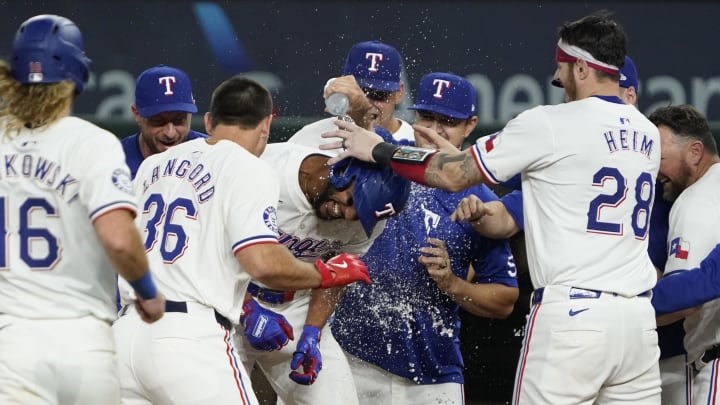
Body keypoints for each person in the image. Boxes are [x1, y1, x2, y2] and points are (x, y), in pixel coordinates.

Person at [323, 13, 663, 403]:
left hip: (574, 317)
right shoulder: (646, 133)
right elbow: (547, 195)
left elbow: (454, 176)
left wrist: (379, 149)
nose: (558, 79)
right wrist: (487, 206)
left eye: (563, 69)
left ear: (583, 67)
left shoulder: (550, 123)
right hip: (637, 323)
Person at [112, 76, 372, 405]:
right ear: (266, 124)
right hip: (187, 338)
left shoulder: (151, 166)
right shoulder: (249, 167)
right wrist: (327, 274)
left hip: (125, 335)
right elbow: (261, 262)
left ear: (207, 120)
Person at [0, 14, 165, 404]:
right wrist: (147, 291)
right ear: (79, 74)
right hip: (81, 338)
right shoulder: (92, 143)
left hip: (9, 341)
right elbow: (119, 241)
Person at [330, 72, 519, 404]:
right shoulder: (383, 156)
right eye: (426, 116)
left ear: (470, 124)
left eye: (447, 121)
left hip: (432, 377)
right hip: (352, 361)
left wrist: (452, 283)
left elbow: (505, 300)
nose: (433, 128)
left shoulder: (479, 201)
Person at [234, 140, 411, 405]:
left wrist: (312, 333)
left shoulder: (368, 223)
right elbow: (207, 245)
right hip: (229, 299)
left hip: (298, 306)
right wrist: (244, 308)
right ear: (342, 171)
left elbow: (336, 273)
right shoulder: (267, 168)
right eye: (352, 200)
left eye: (359, 214)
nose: (348, 214)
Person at [647, 105, 720, 405]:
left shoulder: (695, 200)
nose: (654, 169)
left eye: (660, 158)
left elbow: (681, 302)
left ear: (695, 152)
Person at [289, 40, 414, 145]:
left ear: (398, 93)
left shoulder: (416, 144)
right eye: (359, 92)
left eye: (378, 95)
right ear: (343, 88)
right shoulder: (310, 139)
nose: (365, 103)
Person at [122, 64, 207, 178]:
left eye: (179, 120)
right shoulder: (115, 161)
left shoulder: (212, 158)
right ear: (137, 114)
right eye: (158, 122)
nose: (170, 133)